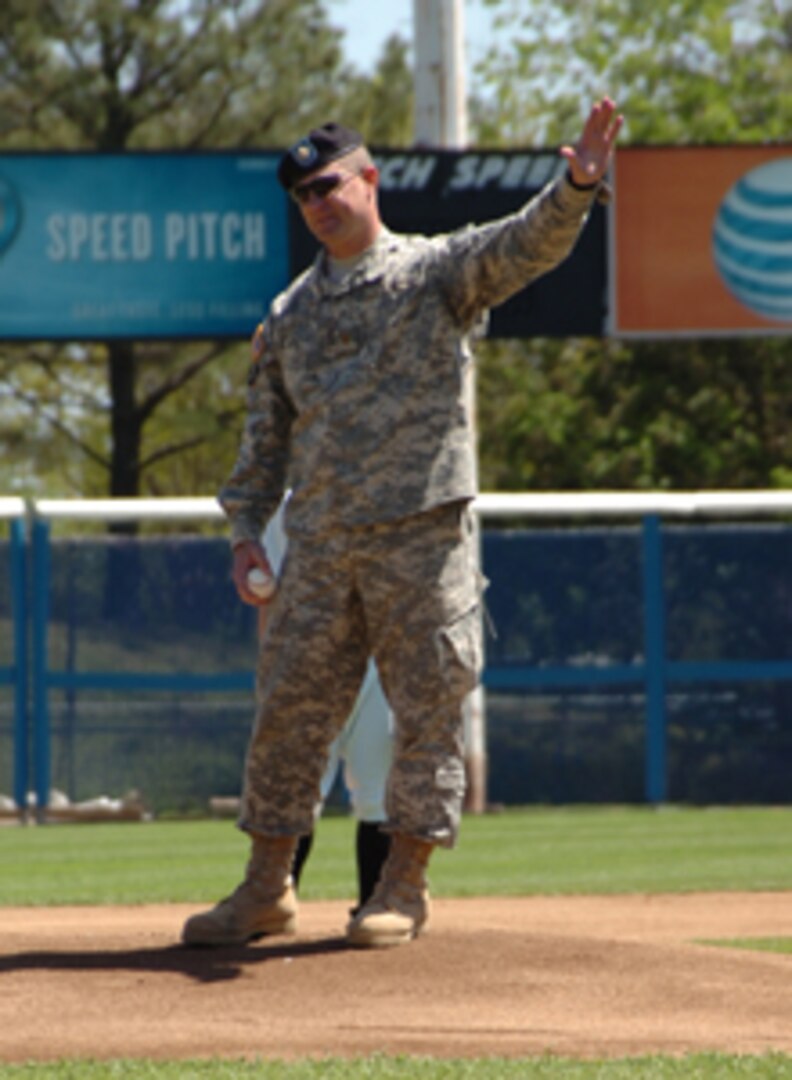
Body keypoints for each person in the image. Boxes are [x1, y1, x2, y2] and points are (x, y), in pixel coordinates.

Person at [182, 97, 622, 950]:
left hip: (421, 536)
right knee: (287, 715)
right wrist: (244, 535)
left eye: (328, 184)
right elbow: (264, 442)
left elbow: (521, 245)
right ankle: (266, 888)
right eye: (303, 193)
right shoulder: (288, 316)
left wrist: (576, 185)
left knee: (426, 712)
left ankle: (404, 887)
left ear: (370, 179)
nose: (316, 202)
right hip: (321, 544)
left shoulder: (433, 274)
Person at [256, 495, 393, 912]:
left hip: (379, 657)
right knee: (293, 792)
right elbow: (266, 594)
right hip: (304, 658)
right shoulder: (285, 505)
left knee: (379, 792)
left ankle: (376, 900)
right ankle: (272, 898)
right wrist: (270, 674)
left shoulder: (393, 486)